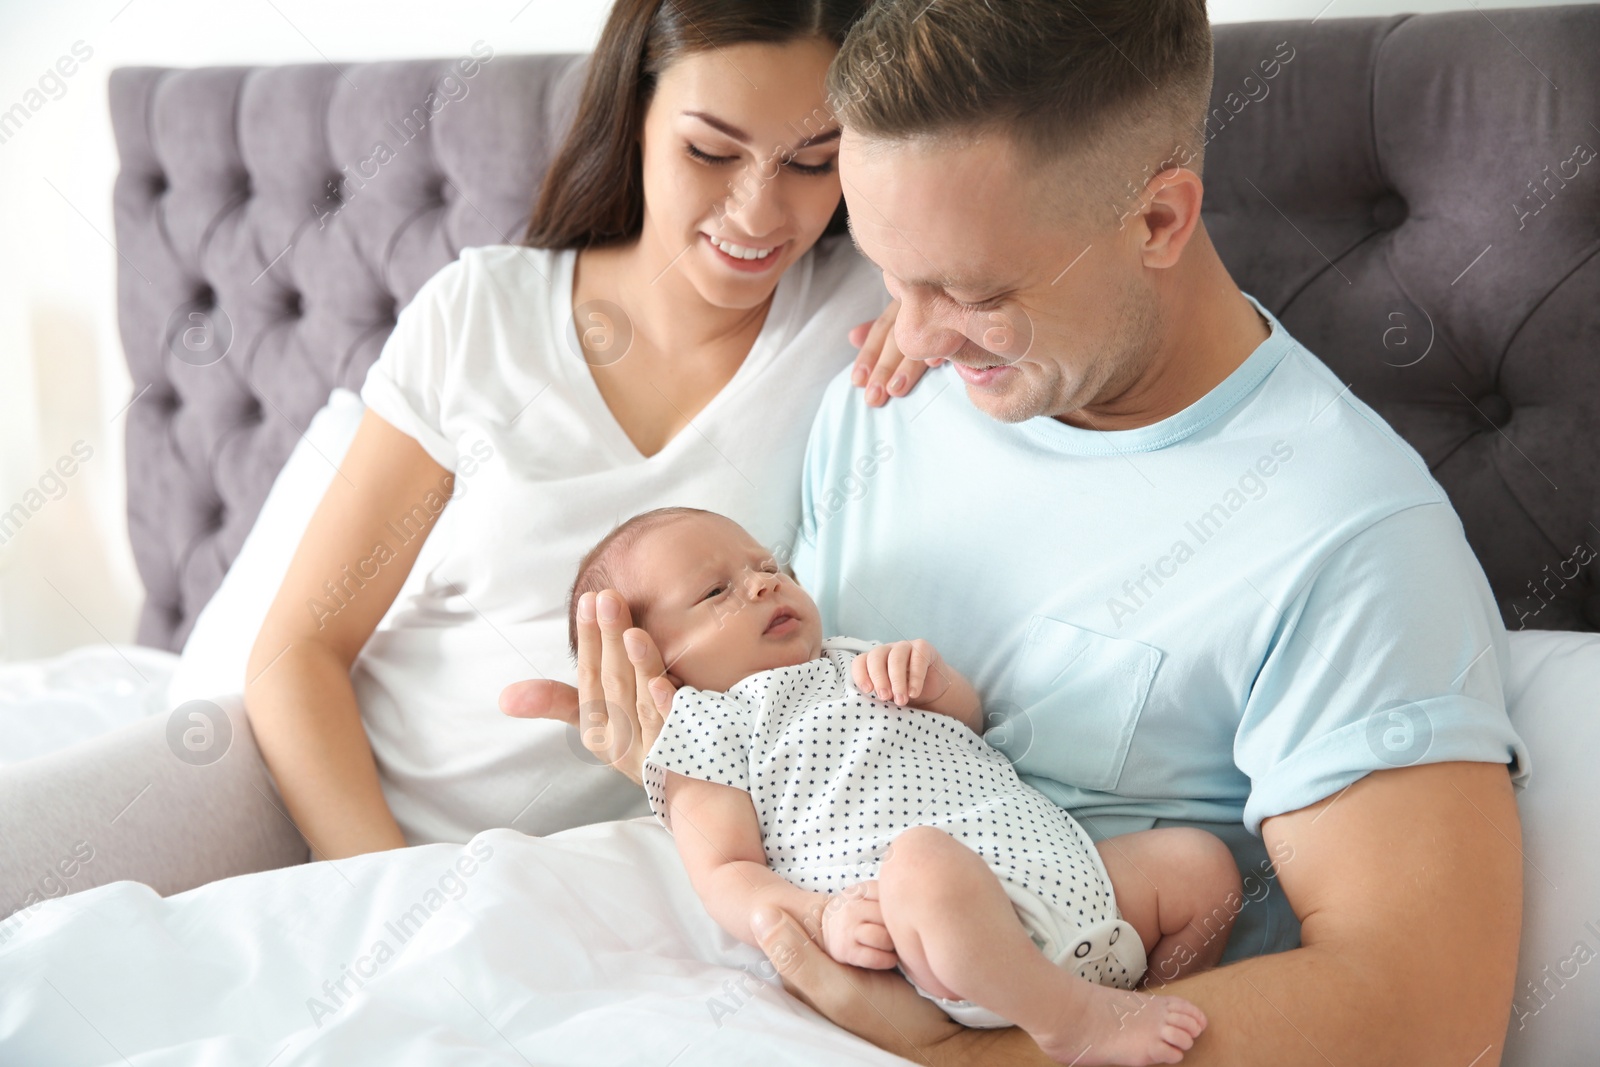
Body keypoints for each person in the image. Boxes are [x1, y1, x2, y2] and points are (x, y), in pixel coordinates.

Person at [508, 1, 1532, 1064]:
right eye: (892, 276)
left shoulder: (1348, 536)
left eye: (973, 291)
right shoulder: (880, 399)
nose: (916, 335)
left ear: (1157, 221)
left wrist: (970, 1057)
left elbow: (1426, 1011)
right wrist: (675, 747)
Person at [0, 0, 931, 916]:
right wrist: (389, 896)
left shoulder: (866, 322)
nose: (759, 210)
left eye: (814, 161)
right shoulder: (482, 313)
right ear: (636, 113)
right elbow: (297, 652)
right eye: (710, 151)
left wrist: (936, 294)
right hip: (316, 791)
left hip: (554, 873)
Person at [570, 505, 1236, 1063]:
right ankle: (1073, 1019)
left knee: (1202, 866)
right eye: (716, 591)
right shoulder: (709, 726)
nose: (763, 585)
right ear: (656, 662)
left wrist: (940, 688)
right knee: (921, 858)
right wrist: (820, 916)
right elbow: (725, 872)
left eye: (769, 567)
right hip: (938, 924)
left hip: (1066, 876)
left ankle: (1149, 997)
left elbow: (971, 731)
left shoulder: (856, 655)